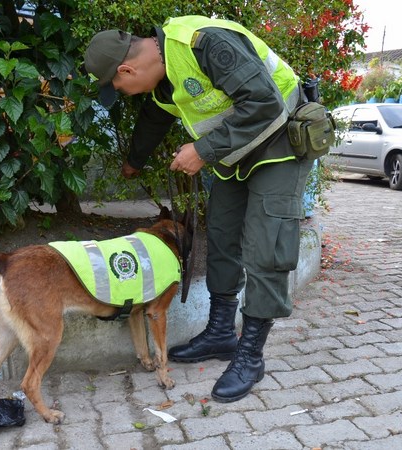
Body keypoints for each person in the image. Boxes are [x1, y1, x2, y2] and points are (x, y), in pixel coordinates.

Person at [83, 15, 314, 403]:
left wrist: (202, 150)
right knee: (221, 236)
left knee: (265, 246)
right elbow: (155, 118)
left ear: (127, 68)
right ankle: (221, 332)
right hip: (236, 154)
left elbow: (264, 102)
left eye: (119, 86)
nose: (124, 93)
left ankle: (251, 356)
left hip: (281, 144)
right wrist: (134, 161)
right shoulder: (163, 78)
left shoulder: (203, 45)